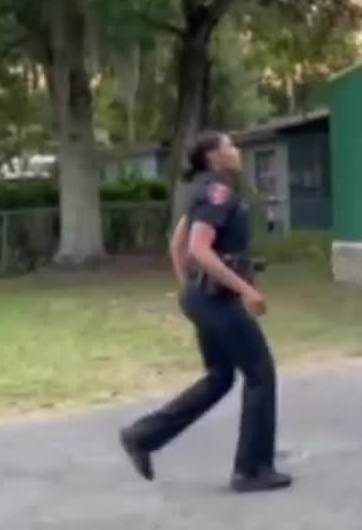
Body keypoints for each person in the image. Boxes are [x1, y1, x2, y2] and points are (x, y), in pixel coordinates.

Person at [118, 132, 292, 493]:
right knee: (260, 374)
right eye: (229, 146)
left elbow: (177, 244)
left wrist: (190, 289)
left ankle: (142, 436)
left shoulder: (205, 189)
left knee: (221, 376)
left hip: (203, 297)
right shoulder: (218, 192)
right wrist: (245, 290)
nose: (236, 151)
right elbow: (197, 247)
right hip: (218, 300)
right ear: (214, 156)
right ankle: (251, 470)